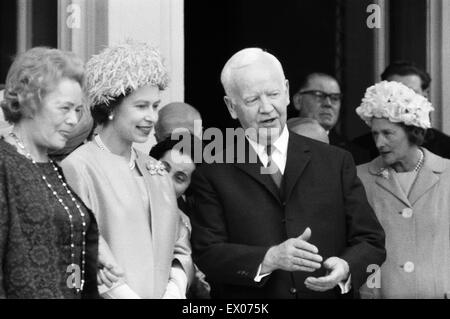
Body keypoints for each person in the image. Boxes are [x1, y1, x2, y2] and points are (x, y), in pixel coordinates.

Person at [190, 48, 386, 299]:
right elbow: (207, 253)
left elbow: (371, 240)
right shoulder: (212, 171)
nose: (266, 108)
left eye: (273, 94)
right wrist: (268, 259)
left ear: (286, 91)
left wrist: (347, 267)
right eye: (252, 100)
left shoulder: (335, 161)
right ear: (231, 106)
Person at [61, 42, 193, 299]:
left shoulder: (156, 169)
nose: (153, 117)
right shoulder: (77, 167)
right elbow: (76, 255)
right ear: (110, 107)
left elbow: (180, 246)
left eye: (155, 106)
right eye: (141, 106)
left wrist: (175, 291)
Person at [0, 47, 99, 298]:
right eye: (64, 108)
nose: (73, 120)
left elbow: (68, 257)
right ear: (30, 102)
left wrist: (91, 265)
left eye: (77, 110)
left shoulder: (51, 167)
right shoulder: (4, 165)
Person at [356, 80, 450, 298]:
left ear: (412, 131)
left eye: (388, 133)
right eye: (374, 134)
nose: (379, 143)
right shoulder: (359, 178)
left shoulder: (447, 174)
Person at [150, 134, 211, 299]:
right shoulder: (118, 194)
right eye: (163, 167)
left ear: (187, 189)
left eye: (179, 178)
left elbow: (185, 264)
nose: (166, 180)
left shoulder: (182, 223)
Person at [353, 61, 450, 160]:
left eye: (411, 92)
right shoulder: (359, 149)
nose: (401, 100)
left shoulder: (446, 148)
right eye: (395, 93)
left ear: (425, 95)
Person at [292, 73, 369, 164]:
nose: (328, 103)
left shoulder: (354, 156)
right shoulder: (277, 144)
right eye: (319, 95)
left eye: (335, 98)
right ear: (298, 101)